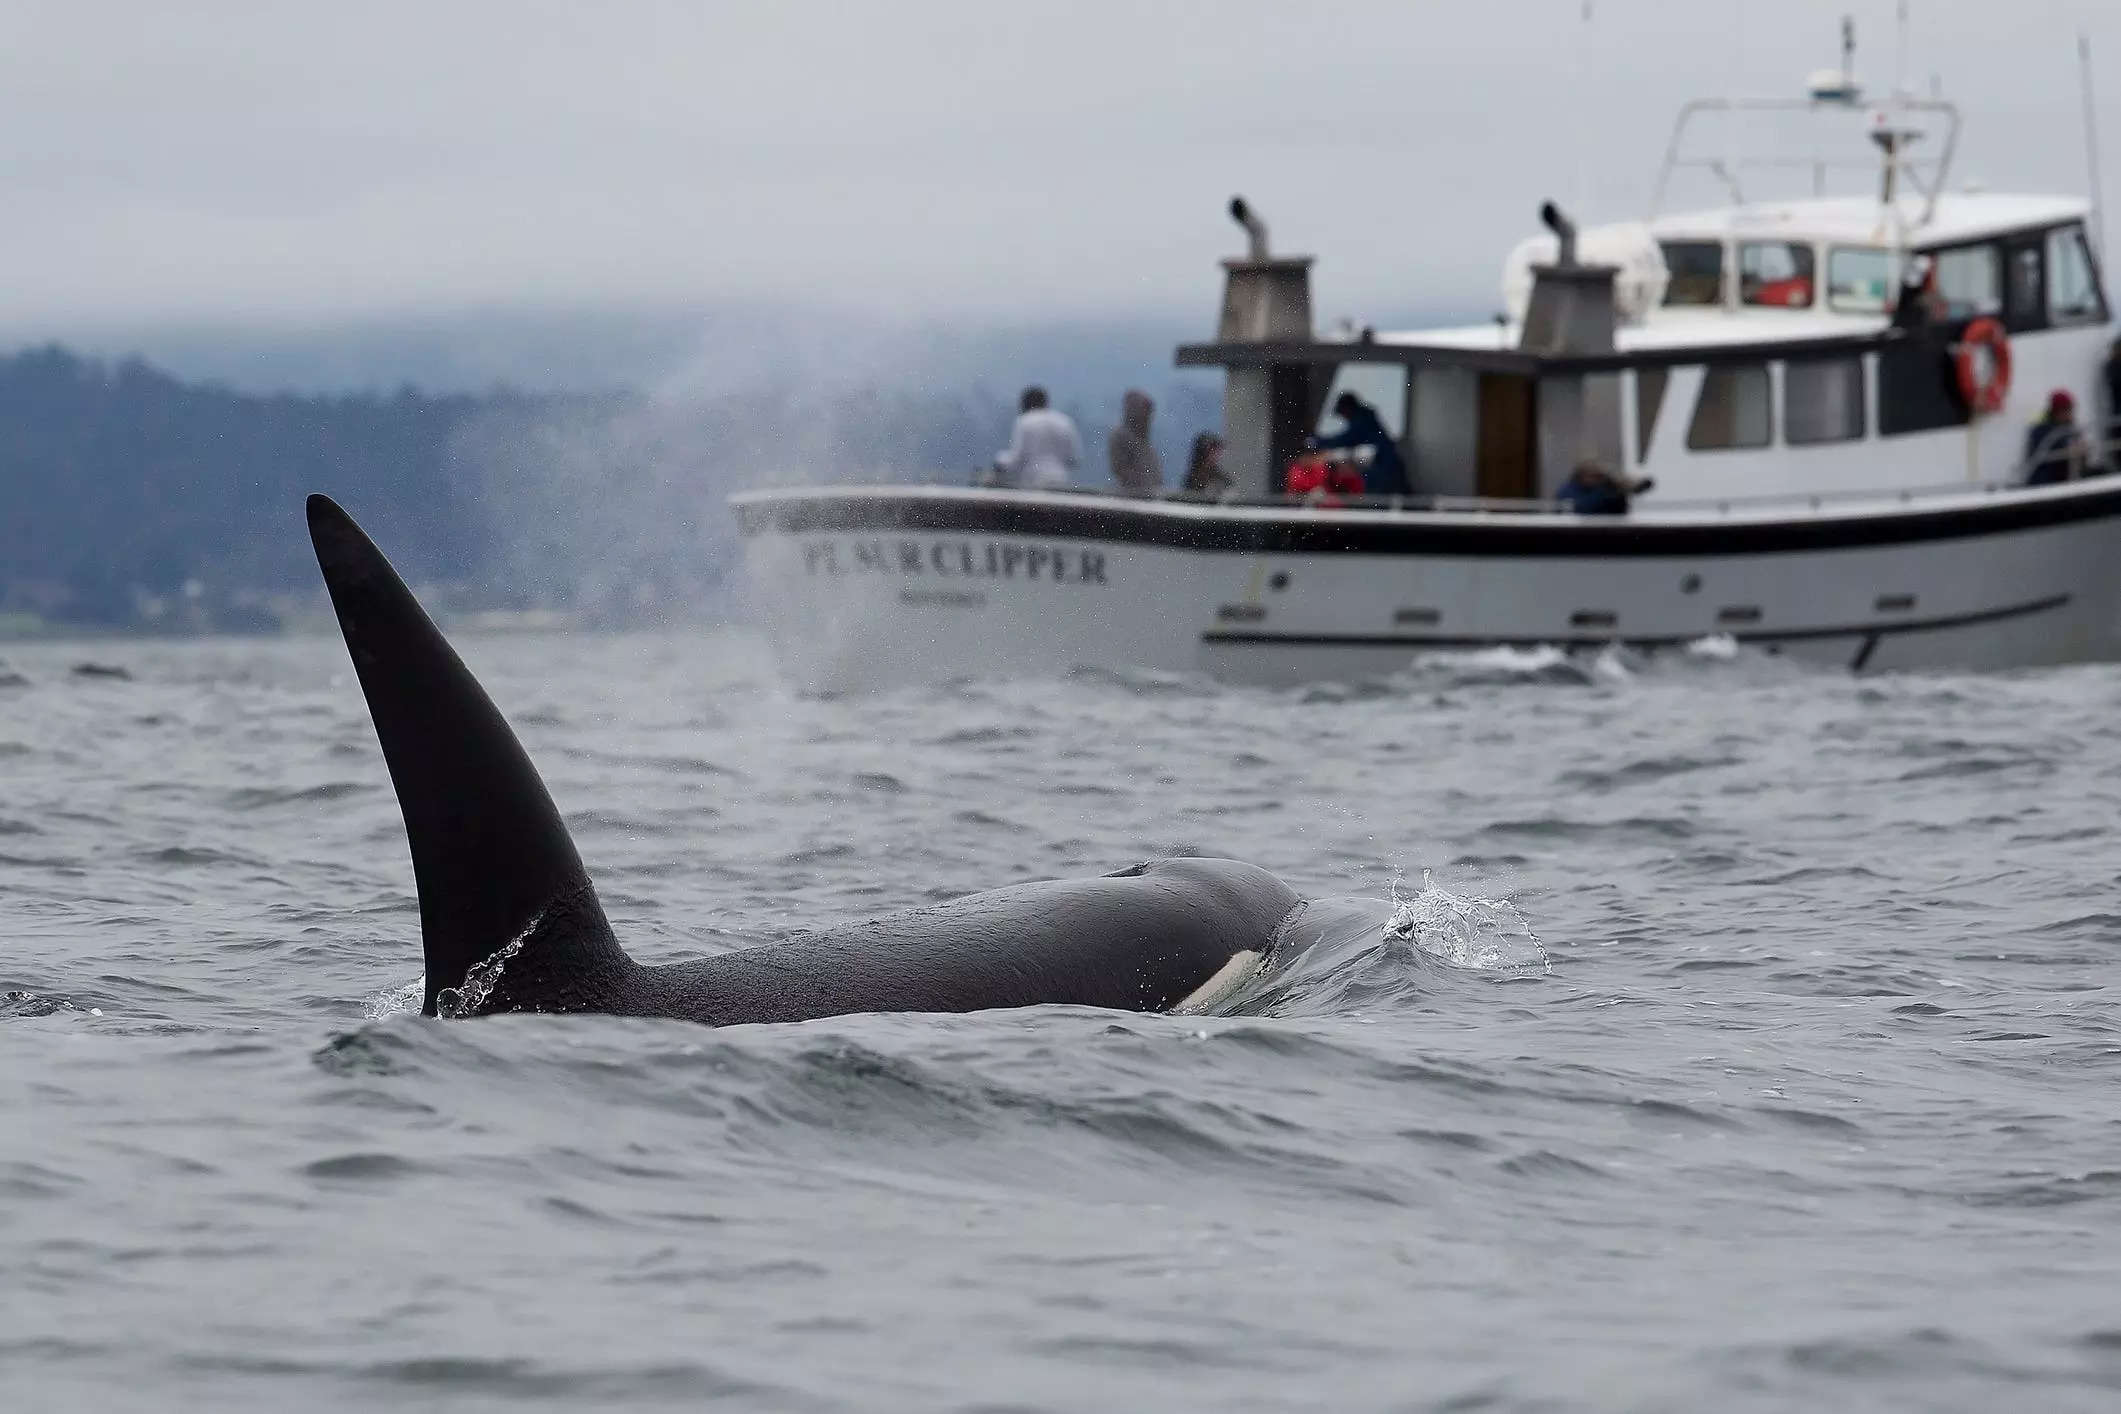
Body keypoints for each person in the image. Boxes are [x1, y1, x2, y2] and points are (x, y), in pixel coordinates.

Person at [1308, 391, 1410, 496]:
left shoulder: (1363, 422)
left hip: (1384, 468)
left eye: (1343, 413)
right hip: (1386, 465)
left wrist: (1318, 442)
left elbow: (1347, 439)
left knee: (1380, 498)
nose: (1344, 418)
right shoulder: (1366, 419)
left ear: (1348, 408)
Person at [990, 386, 1081, 489]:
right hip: (1060, 481)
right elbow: (1074, 459)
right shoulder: (1065, 421)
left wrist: (999, 460)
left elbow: (1017, 457)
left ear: (1025, 403)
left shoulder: (1024, 421)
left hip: (1033, 482)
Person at [2024, 389, 2089, 485]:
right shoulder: (2042, 430)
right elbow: (2055, 449)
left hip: (2065, 479)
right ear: (2058, 411)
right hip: (2045, 482)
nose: (2071, 414)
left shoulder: (2069, 429)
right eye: (2067, 409)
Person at [1107, 389, 1162, 495]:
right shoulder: (1121, 437)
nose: (1148, 418)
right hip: (1132, 498)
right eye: (1145, 411)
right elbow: (1120, 469)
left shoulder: (1144, 442)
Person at [1554, 460, 1649, 515]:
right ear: (1581, 476)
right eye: (1593, 476)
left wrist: (1618, 494)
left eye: (1599, 477)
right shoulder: (1569, 490)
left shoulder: (1598, 489)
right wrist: (1603, 493)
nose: (1597, 480)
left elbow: (1619, 512)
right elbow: (1581, 508)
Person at [1182, 432, 1232, 496]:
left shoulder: (1219, 476)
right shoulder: (1194, 478)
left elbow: (1229, 490)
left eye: (1217, 451)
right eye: (1213, 450)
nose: (1217, 455)